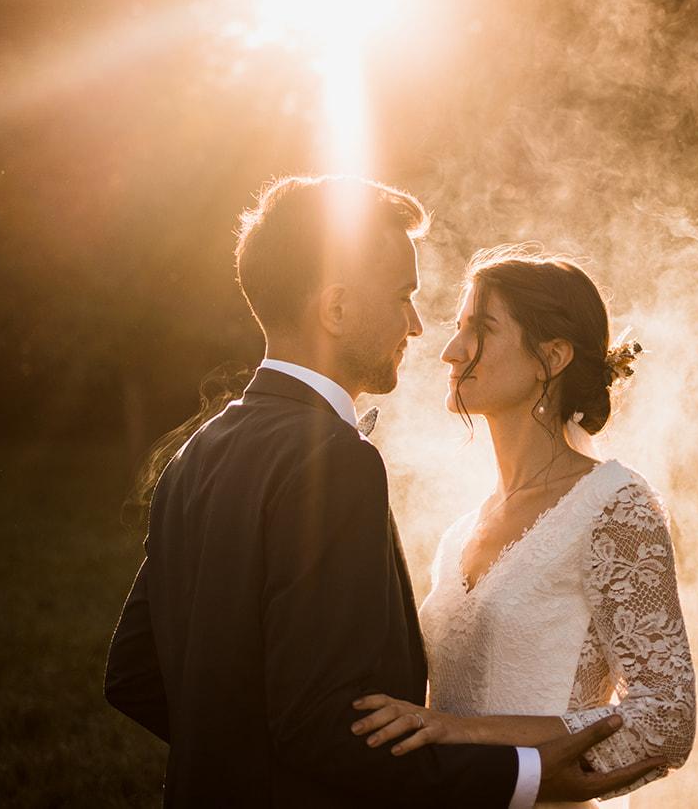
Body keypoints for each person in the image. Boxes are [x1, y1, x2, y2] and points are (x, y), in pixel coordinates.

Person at [104, 176, 663, 807]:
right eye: (403, 296)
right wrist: (521, 777)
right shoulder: (334, 461)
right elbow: (319, 726)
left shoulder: (195, 454)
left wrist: (230, 761)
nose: (420, 328)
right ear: (335, 310)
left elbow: (134, 675)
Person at [349, 247, 696, 807]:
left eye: (480, 328)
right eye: (457, 328)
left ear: (550, 358)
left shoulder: (616, 504)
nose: (450, 351)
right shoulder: (460, 532)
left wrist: (460, 732)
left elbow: (666, 719)